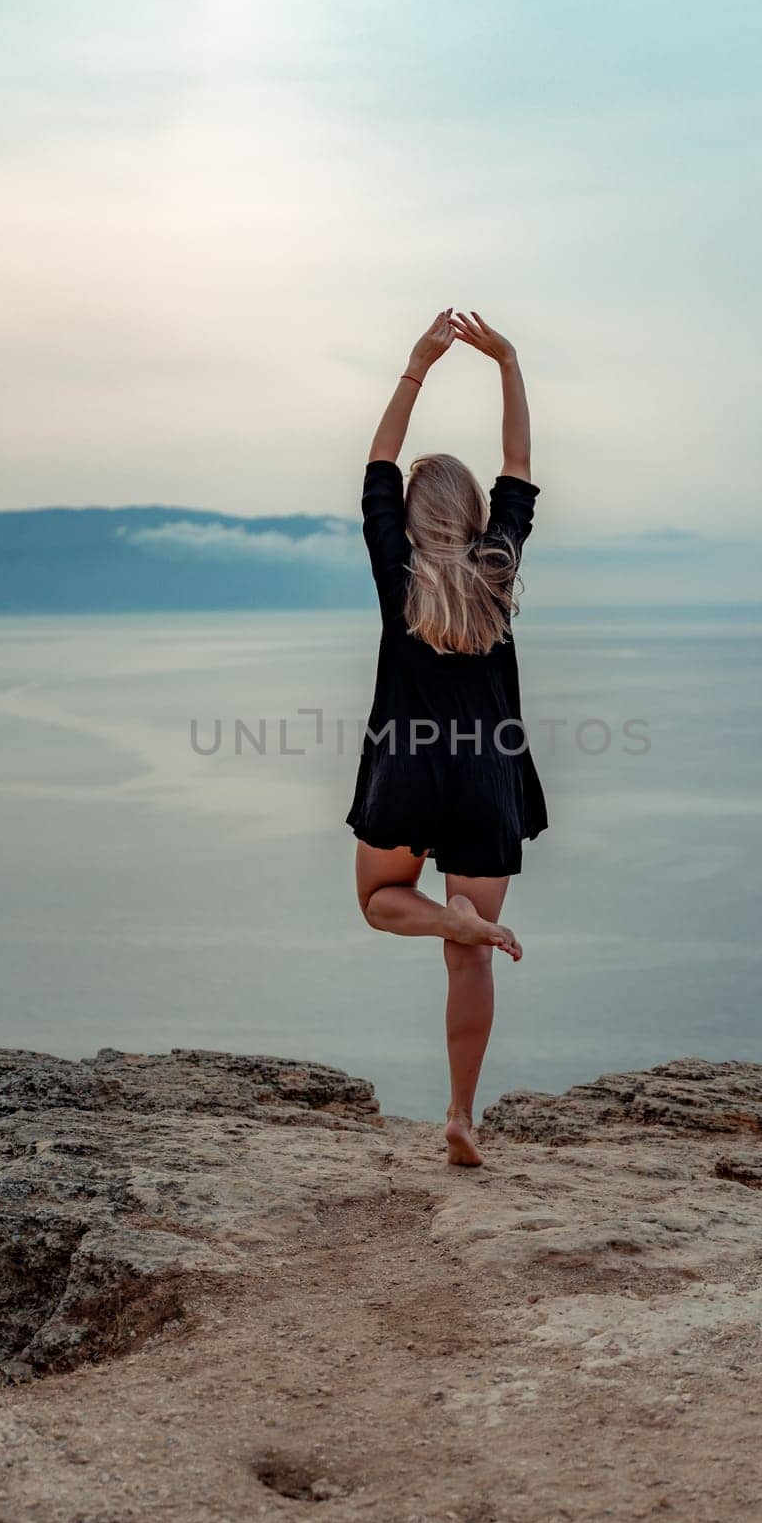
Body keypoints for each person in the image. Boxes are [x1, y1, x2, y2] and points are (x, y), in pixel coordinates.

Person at [345, 308, 548, 1166]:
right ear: (471, 516)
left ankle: (446, 921)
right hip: (486, 779)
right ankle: (461, 1116)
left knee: (382, 905)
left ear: (411, 516)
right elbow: (518, 465)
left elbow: (378, 465)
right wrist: (505, 361)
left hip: (407, 769)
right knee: (473, 965)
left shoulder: (397, 570)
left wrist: (417, 365)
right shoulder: (496, 566)